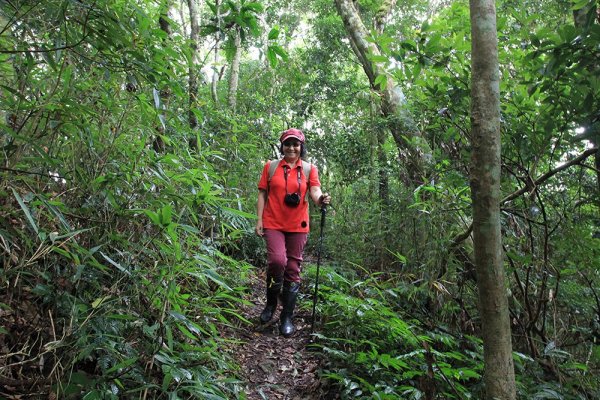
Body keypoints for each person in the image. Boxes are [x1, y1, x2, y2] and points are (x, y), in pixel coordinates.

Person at [255, 128, 331, 337]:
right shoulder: (270, 167)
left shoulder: (309, 169)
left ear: (301, 147)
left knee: (293, 268)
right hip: (273, 222)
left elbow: (314, 191)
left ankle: (286, 316)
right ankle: (271, 304)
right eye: (287, 144)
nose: (291, 148)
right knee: (277, 262)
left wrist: (320, 199)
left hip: (298, 225)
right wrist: (259, 219)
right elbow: (262, 193)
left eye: (295, 144)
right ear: (282, 146)